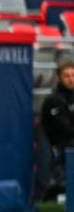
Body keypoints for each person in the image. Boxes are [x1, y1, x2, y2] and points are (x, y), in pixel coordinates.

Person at [40, 61, 74, 196]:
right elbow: (66, 129)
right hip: (62, 154)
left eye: (73, 75)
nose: (71, 79)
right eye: (67, 76)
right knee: (63, 190)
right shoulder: (53, 100)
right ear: (59, 77)